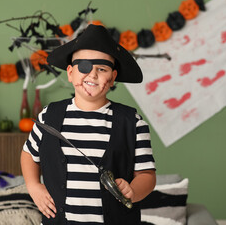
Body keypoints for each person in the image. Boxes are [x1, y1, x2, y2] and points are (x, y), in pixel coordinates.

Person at [20, 24, 156, 225]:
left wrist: (134, 190)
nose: (92, 75)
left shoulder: (132, 123)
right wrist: (33, 185)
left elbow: (147, 174)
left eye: (101, 69)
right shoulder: (49, 116)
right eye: (84, 67)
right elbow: (29, 155)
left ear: (112, 78)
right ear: (70, 72)